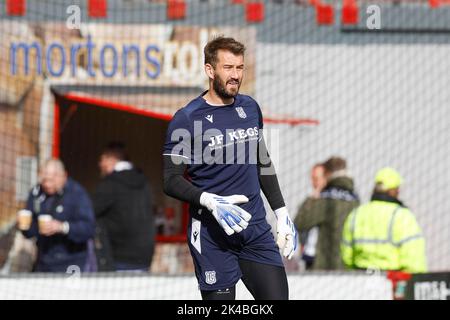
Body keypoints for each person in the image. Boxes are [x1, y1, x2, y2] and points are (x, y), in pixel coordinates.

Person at [163, 36, 297, 300]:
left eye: (239, 68)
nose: (235, 75)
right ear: (210, 70)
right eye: (228, 68)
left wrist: (281, 213)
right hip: (213, 237)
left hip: (255, 229)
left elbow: (263, 161)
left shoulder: (250, 107)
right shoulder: (186, 119)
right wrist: (210, 201)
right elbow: (170, 180)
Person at [341, 167, 427, 273]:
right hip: (392, 280)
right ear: (393, 190)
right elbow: (414, 256)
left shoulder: (357, 214)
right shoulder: (402, 216)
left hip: (361, 280)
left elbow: (347, 256)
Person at [19, 159, 96, 272]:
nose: (47, 184)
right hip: (44, 263)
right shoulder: (36, 193)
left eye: (51, 180)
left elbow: (89, 229)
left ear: (63, 176)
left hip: (72, 263)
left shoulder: (77, 194)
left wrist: (62, 227)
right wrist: (24, 225)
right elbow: (30, 233)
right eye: (44, 181)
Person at [93, 142, 155, 272]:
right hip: (145, 256)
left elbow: (90, 213)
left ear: (111, 159)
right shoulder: (144, 183)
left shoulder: (110, 184)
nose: (100, 164)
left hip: (119, 257)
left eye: (102, 159)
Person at [294, 156, 359, 270]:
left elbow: (300, 222)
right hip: (348, 265)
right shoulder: (354, 199)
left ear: (327, 175)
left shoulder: (325, 200)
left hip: (323, 266)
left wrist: (314, 195)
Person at [295, 163, 326, 269]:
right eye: (313, 178)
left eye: (317, 178)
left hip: (325, 256)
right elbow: (298, 223)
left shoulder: (331, 201)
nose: (315, 182)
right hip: (310, 257)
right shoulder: (309, 201)